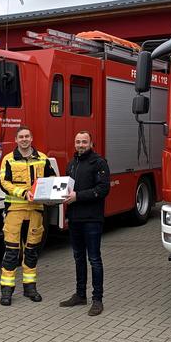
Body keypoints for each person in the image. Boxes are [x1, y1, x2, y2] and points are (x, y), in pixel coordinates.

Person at [0, 125, 56, 306]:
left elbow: (52, 180)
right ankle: (6, 291)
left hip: (36, 211)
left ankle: (30, 288)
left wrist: (54, 196)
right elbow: (3, 182)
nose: (24, 139)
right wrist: (22, 193)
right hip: (15, 210)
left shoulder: (43, 159)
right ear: (16, 140)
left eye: (27, 136)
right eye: (21, 137)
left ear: (31, 139)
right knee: (11, 252)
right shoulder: (8, 159)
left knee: (31, 251)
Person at [60, 131, 110, 316]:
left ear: (91, 143)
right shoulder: (72, 164)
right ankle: (80, 295)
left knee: (94, 259)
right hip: (75, 219)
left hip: (92, 220)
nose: (81, 145)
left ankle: (97, 299)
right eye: (78, 142)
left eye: (84, 142)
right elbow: (67, 189)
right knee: (78, 258)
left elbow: (103, 189)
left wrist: (78, 196)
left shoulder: (99, 163)